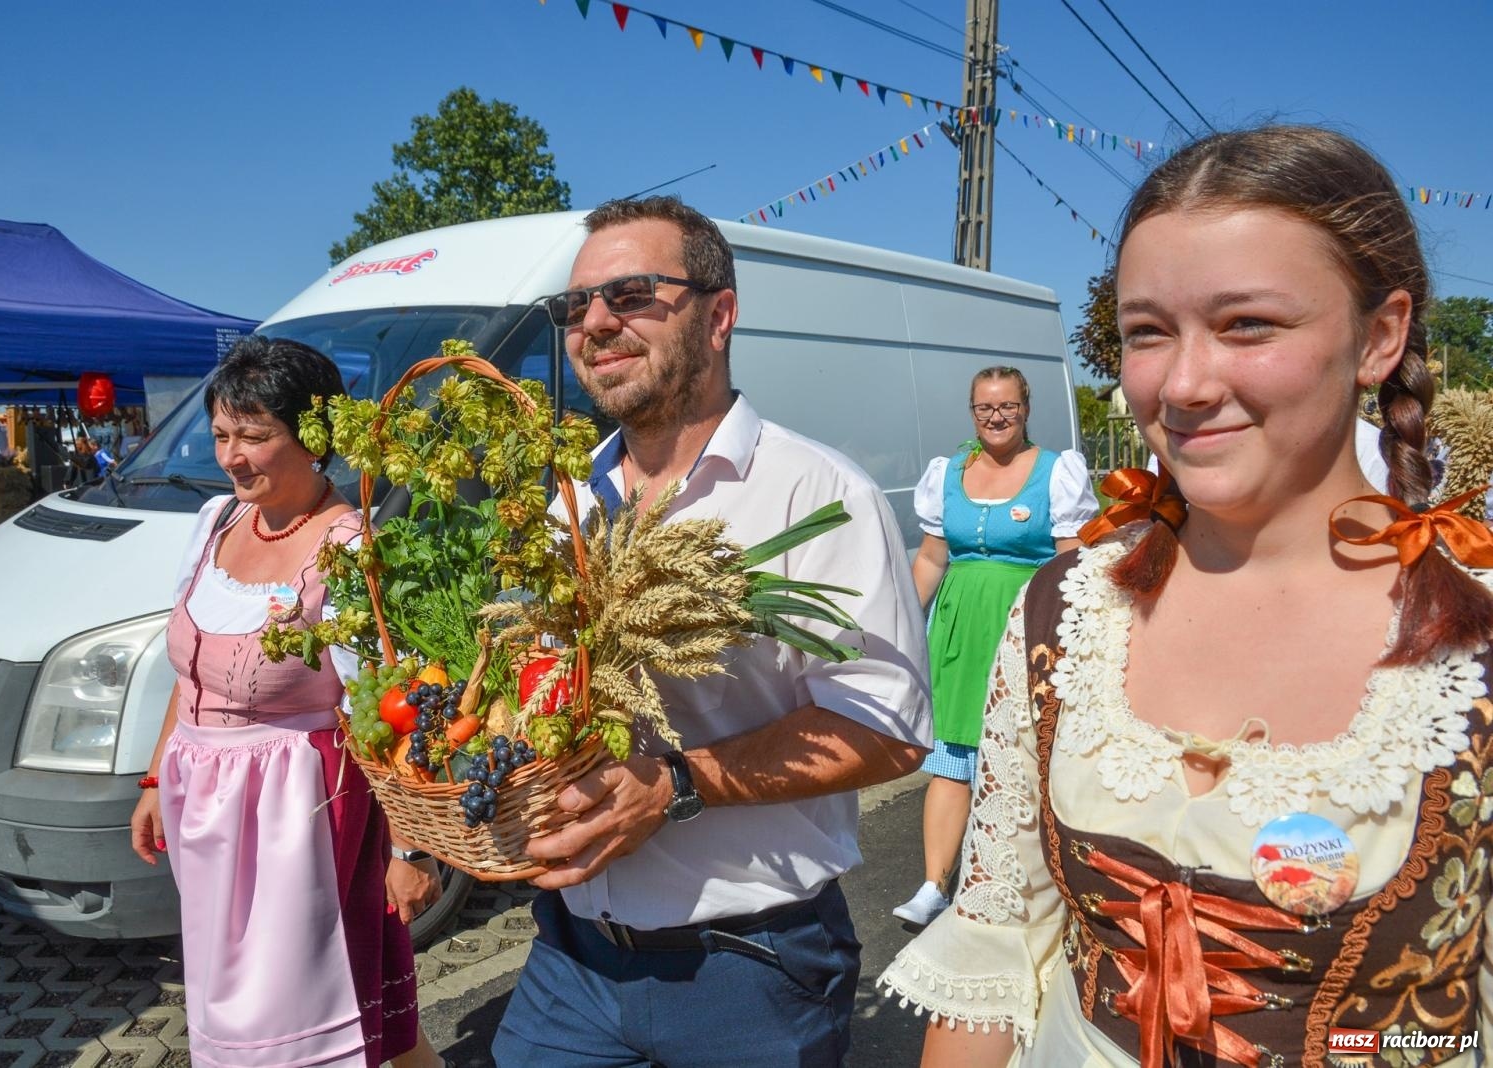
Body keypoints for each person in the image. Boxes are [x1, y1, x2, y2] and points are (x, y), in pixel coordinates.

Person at [879, 124, 1493, 1066]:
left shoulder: (1472, 632)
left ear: (1379, 337)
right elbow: (995, 946)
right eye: (1147, 334)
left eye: (1248, 324)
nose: (1185, 383)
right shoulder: (1068, 608)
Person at [493, 196, 933, 1067]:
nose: (594, 323)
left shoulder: (815, 495)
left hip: (750, 972)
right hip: (569, 964)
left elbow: (887, 731)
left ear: (720, 313)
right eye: (573, 306)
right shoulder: (567, 504)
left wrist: (676, 785)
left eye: (629, 295)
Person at [128, 336, 449, 1068]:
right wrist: (153, 779)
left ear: (313, 439)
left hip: (296, 818)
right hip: (206, 811)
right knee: (231, 1003)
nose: (232, 456)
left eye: (255, 435)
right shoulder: (216, 522)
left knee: (301, 1015)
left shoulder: (346, 546)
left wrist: (410, 848)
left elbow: (385, 713)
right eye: (220, 435)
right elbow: (191, 678)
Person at [891, 368, 1098, 926]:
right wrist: (903, 623)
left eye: (1007, 406)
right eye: (984, 407)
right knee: (952, 760)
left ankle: (1016, 881)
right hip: (959, 627)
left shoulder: (1056, 472)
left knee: (1020, 760)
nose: (996, 416)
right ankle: (935, 885)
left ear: (1026, 409)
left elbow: (1069, 562)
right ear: (972, 411)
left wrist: (1068, 635)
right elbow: (933, 558)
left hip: (1027, 626)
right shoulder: (949, 472)